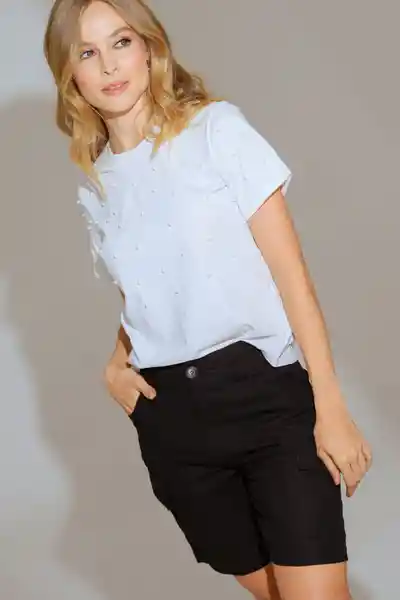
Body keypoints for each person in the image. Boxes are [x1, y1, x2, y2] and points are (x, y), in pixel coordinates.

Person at [43, 1, 373, 598]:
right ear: (71, 74)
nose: (109, 65)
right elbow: (151, 290)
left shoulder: (216, 131)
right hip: (176, 426)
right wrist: (116, 362)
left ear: (149, 47)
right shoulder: (99, 182)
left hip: (267, 402)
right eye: (87, 52)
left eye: (121, 42)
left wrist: (331, 407)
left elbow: (291, 276)